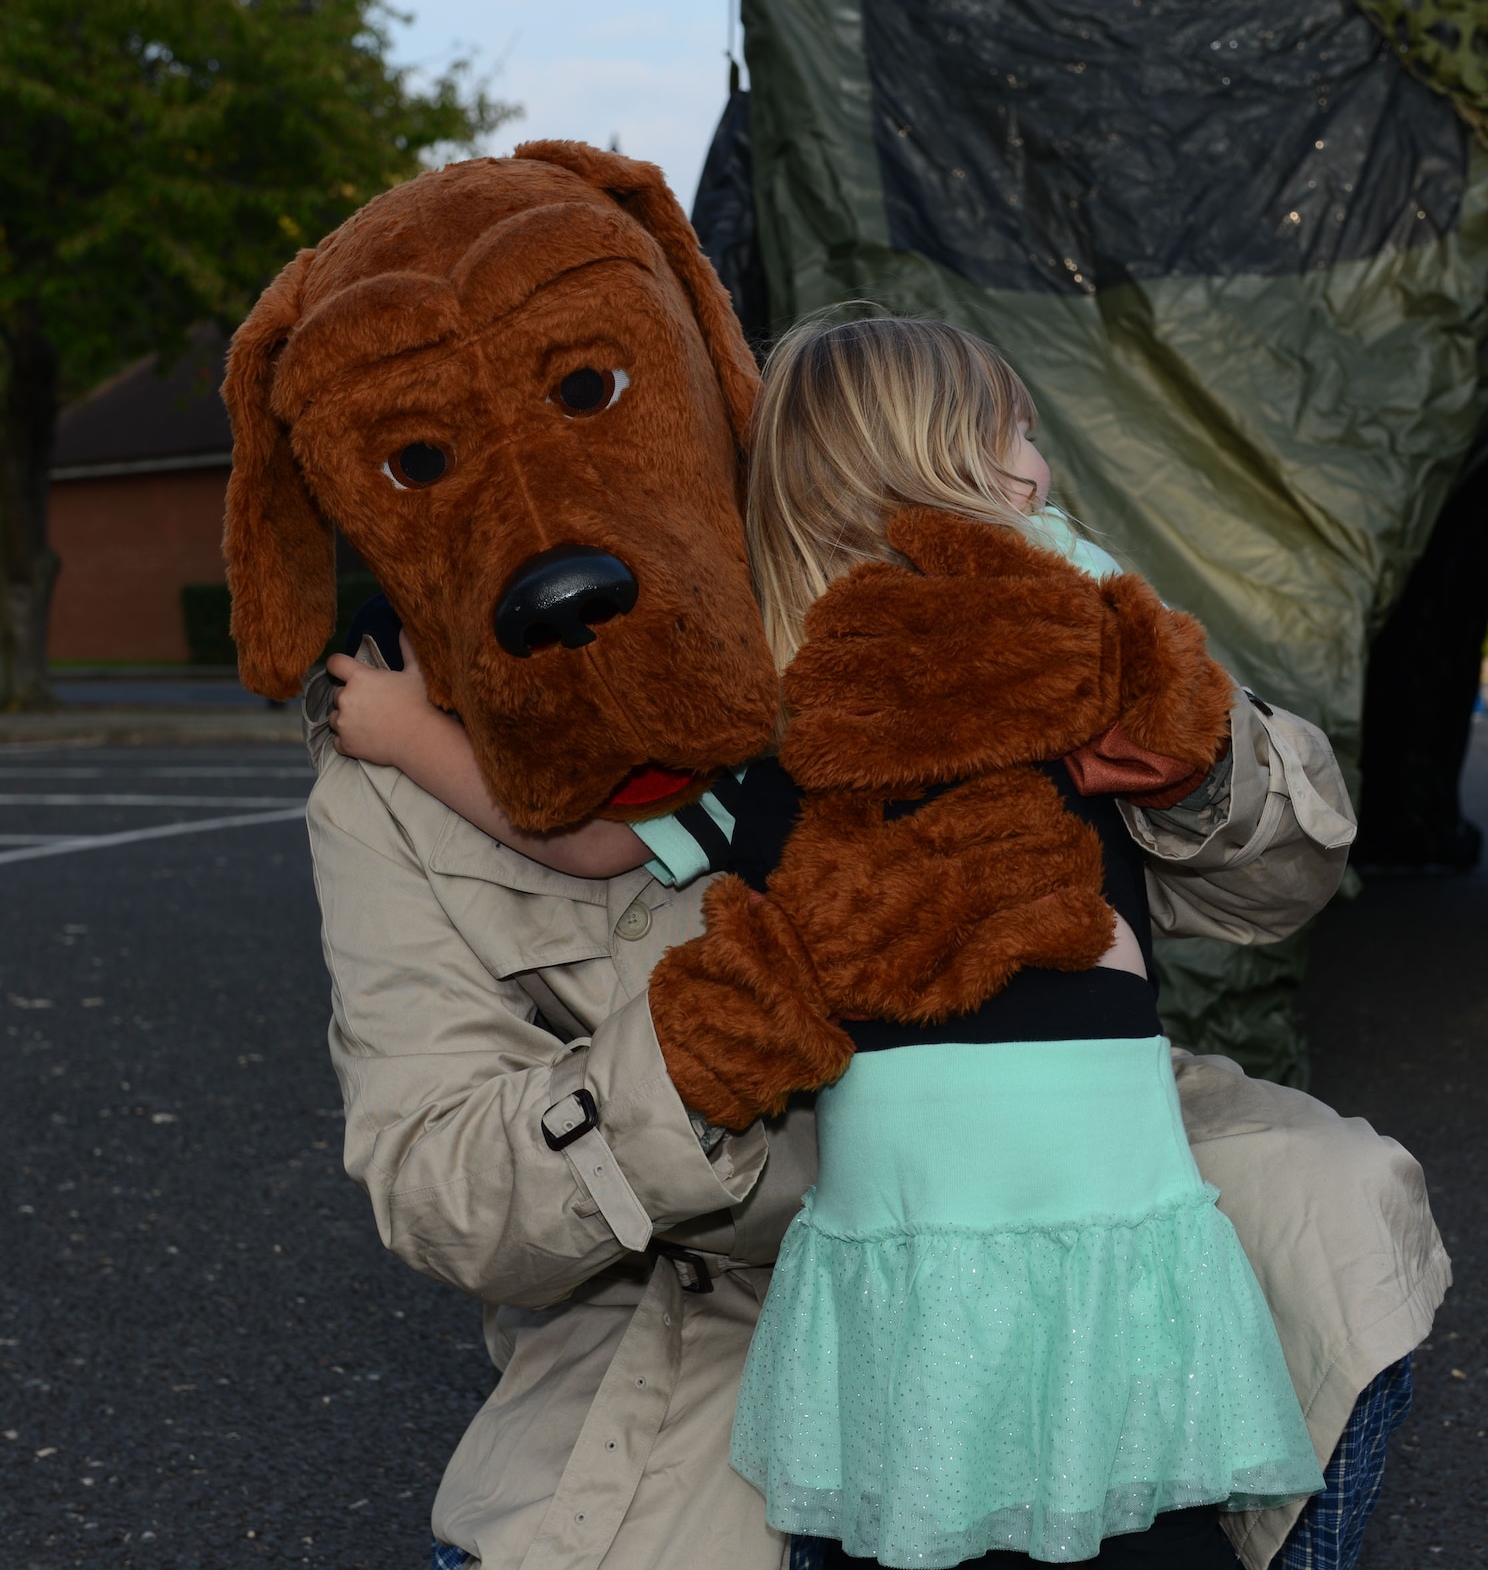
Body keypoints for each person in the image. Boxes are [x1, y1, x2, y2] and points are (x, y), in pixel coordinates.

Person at [329, 315, 1328, 1567]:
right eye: (1017, 431)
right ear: (957, 462)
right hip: (1090, 1145)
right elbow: (1188, 709)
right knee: (1132, 1467)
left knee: (916, 1476)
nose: (1043, 463)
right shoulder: (1062, 613)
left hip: (911, 1179)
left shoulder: (777, 726)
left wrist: (401, 730)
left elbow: (592, 845)